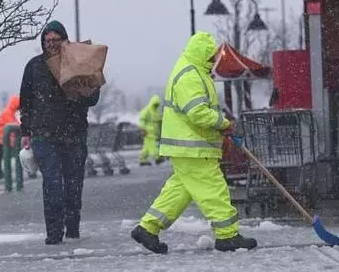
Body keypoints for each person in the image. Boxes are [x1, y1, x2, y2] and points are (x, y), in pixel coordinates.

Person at [131, 31, 258, 253]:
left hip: (189, 147)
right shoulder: (190, 75)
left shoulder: (193, 71)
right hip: (193, 147)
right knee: (214, 189)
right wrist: (223, 123)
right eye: (210, 56)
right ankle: (227, 236)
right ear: (201, 54)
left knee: (179, 191)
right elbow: (197, 112)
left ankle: (147, 228)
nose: (213, 60)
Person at [19, 20, 100, 245]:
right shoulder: (34, 66)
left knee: (74, 184)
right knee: (52, 183)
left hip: (73, 134)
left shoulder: (78, 63)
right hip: (45, 136)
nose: (51, 44)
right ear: (43, 43)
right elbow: (26, 101)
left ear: (65, 41)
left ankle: (72, 227)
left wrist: (85, 88)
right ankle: (54, 232)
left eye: (56, 40)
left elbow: (92, 99)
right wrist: (26, 131)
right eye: (47, 41)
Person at [138, 94, 164, 166]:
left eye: (157, 104)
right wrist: (143, 129)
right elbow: (141, 120)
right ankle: (157, 158)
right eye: (155, 104)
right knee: (153, 146)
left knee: (147, 148)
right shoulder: (147, 110)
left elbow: (159, 121)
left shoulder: (156, 112)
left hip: (154, 133)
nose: (156, 106)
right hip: (148, 132)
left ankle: (142, 159)